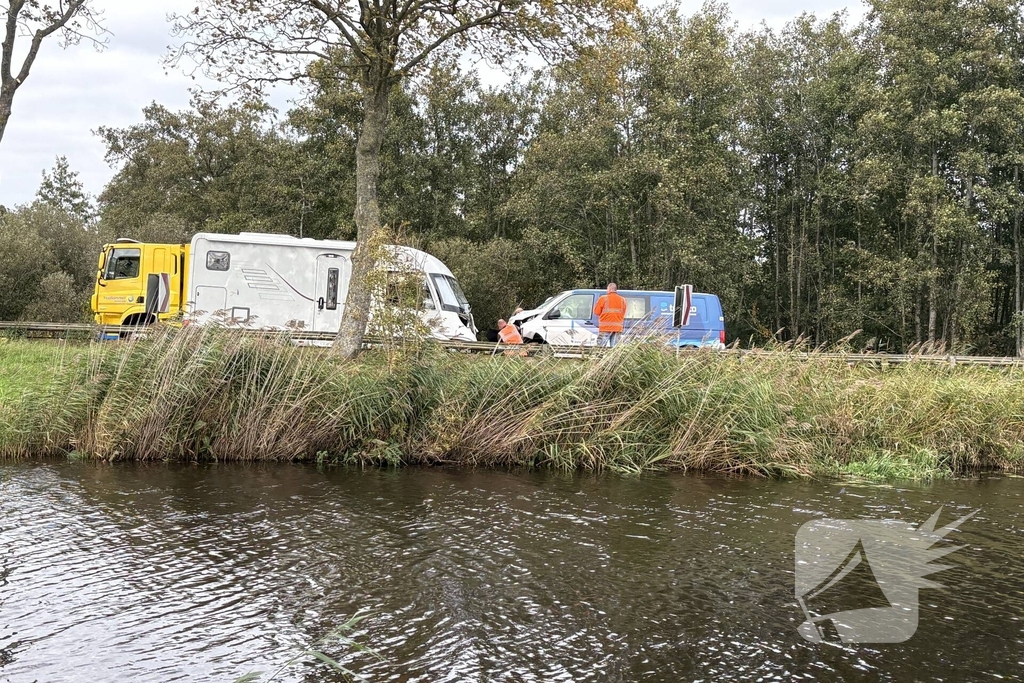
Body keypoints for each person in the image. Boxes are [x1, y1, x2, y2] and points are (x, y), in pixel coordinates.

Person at [593, 283, 626, 347]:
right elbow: (623, 313)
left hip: (605, 328)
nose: (606, 290)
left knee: (600, 349)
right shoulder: (623, 300)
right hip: (617, 328)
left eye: (607, 289)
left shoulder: (603, 298)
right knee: (614, 350)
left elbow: (596, 312)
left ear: (610, 289)